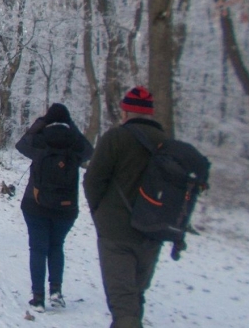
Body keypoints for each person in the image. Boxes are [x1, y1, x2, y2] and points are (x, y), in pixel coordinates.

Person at [83, 86, 166, 328]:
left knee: (123, 302)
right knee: (135, 296)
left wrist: (100, 213)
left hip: (116, 232)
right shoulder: (166, 142)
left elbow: (93, 181)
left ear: (126, 112)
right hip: (152, 232)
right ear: (150, 113)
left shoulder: (115, 138)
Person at [15, 102, 93, 313]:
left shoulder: (41, 140)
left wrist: (41, 123)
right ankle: (56, 291)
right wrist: (71, 126)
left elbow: (21, 145)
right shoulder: (74, 143)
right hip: (66, 208)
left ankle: (38, 297)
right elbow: (89, 151)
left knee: (38, 248)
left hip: (36, 204)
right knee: (56, 246)